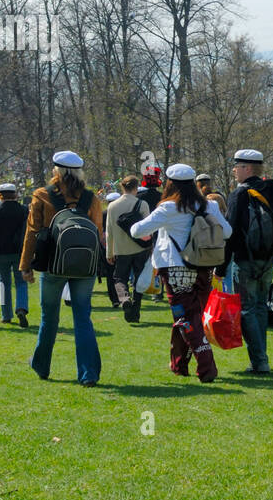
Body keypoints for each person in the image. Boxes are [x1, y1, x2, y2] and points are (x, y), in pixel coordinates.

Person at [130, 163, 232, 382]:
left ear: (170, 183)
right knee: (191, 317)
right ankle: (179, 364)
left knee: (185, 319)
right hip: (203, 267)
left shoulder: (169, 207)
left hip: (175, 269)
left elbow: (137, 230)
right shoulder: (209, 206)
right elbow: (228, 231)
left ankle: (207, 367)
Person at [19, 151, 105, 386]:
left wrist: (26, 265)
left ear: (55, 170)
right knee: (83, 318)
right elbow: (98, 233)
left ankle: (42, 365)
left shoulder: (41, 195)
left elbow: (32, 232)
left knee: (49, 317)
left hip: (52, 264)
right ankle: (88, 374)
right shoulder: (91, 198)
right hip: (84, 267)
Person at [217, 149, 273, 376]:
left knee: (247, 309)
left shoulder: (239, 194)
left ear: (247, 168)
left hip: (245, 258)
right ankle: (261, 358)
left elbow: (231, 232)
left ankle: (260, 362)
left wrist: (221, 266)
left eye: (237, 166)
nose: (234, 170)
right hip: (269, 257)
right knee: (259, 308)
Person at [106, 175, 151, 324]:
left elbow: (109, 231)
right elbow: (148, 229)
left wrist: (109, 253)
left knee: (119, 278)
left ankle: (124, 299)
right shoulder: (142, 204)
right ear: (136, 187)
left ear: (122, 187)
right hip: (140, 248)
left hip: (121, 249)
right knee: (139, 280)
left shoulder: (112, 206)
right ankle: (135, 311)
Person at [0, 183, 29, 326]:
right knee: (21, 282)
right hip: (19, 252)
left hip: (2, 253)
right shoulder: (23, 210)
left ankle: (6, 315)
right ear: (15, 194)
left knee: (4, 283)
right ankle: (21, 308)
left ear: (0, 195)